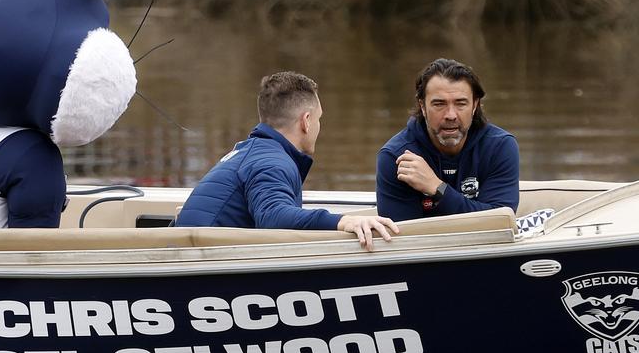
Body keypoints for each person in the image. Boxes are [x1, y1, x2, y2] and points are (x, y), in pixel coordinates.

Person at [176, 71, 398, 251]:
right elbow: (273, 216)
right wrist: (344, 222)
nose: (319, 126)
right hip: (197, 270)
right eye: (319, 118)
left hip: (188, 255)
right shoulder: (272, 162)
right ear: (306, 121)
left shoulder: (246, 153)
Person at [376, 58, 519, 222]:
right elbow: (404, 236)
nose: (450, 115)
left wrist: (437, 189)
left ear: (475, 105)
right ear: (422, 106)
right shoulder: (396, 157)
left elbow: (499, 221)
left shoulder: (499, 147)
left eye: (460, 103)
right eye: (439, 104)